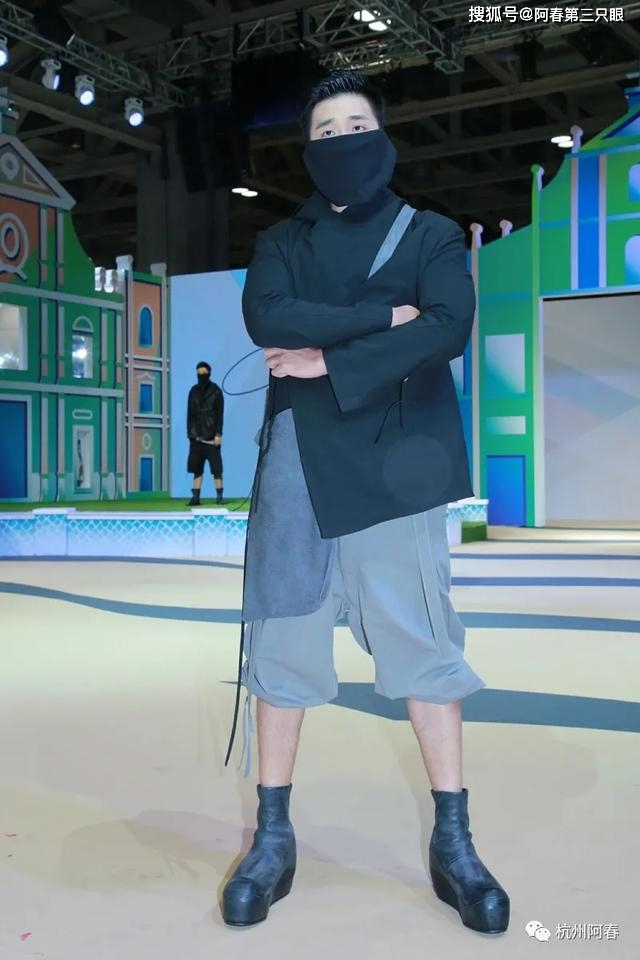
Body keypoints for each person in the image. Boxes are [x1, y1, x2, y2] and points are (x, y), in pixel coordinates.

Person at [222, 71, 509, 935]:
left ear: (381, 137)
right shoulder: (282, 239)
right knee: (282, 645)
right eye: (326, 130)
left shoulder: (430, 233)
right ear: (309, 152)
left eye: (357, 124)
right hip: (297, 469)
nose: (343, 139)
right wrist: (387, 322)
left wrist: (327, 360)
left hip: (399, 468)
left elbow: (449, 324)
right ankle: (273, 836)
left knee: (424, 645)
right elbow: (268, 316)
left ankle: (454, 840)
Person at [186, 361, 224, 505]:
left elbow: (220, 414)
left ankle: (219, 496)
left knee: (216, 469)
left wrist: (218, 434)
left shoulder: (216, 391)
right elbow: (190, 415)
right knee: (197, 469)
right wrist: (190, 433)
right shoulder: (193, 391)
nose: (201, 375)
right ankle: (195, 497)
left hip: (212, 436)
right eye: (199, 373)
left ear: (209, 373)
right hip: (196, 436)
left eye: (204, 373)